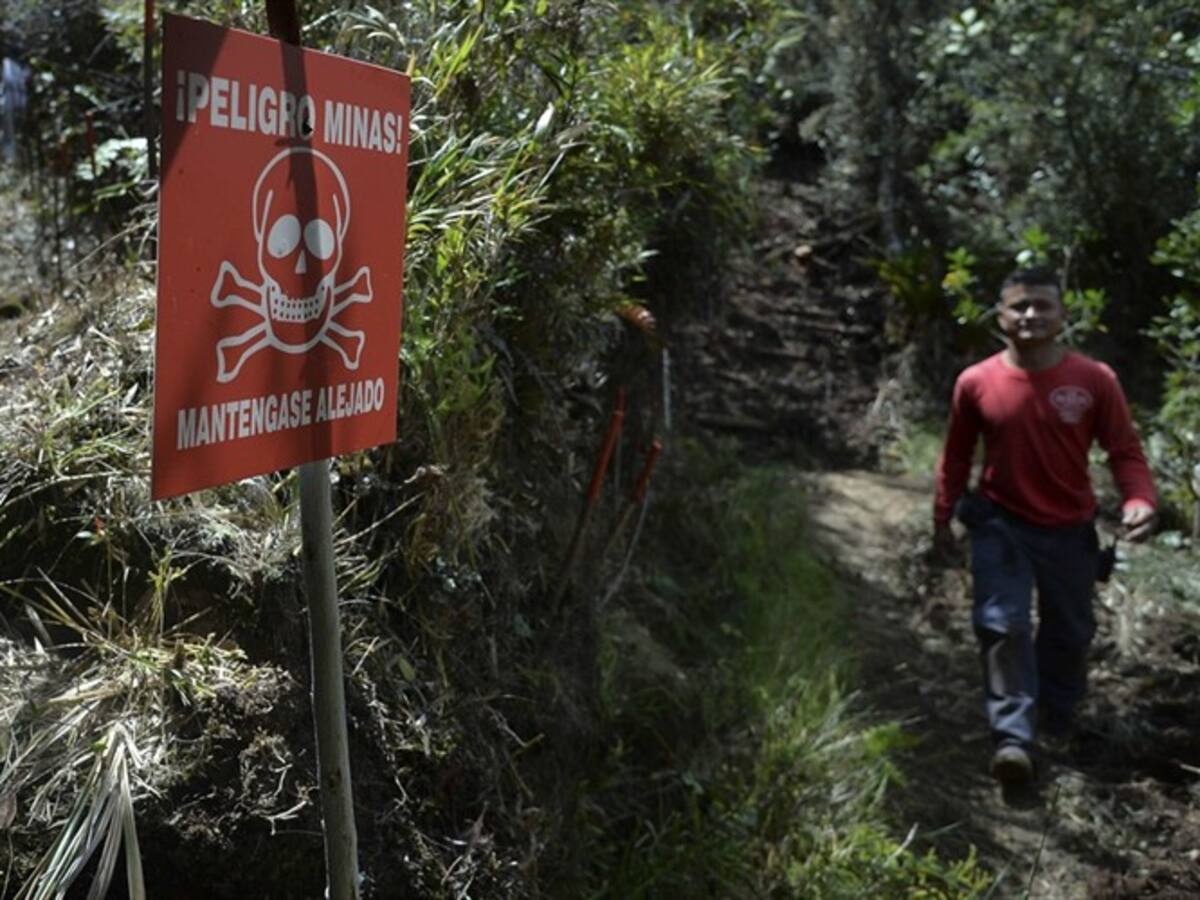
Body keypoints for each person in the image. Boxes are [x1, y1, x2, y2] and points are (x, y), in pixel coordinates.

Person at [933, 266, 1157, 786]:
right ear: (1001, 316)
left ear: (1063, 316)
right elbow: (955, 458)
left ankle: (1056, 720)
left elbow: (1124, 450)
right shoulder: (976, 382)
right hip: (1000, 524)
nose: (1030, 314)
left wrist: (1140, 499)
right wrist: (942, 518)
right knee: (1002, 624)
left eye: (1042, 305)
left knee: (1070, 633)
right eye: (1019, 306)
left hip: (1069, 529)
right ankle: (1014, 739)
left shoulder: (1094, 380)